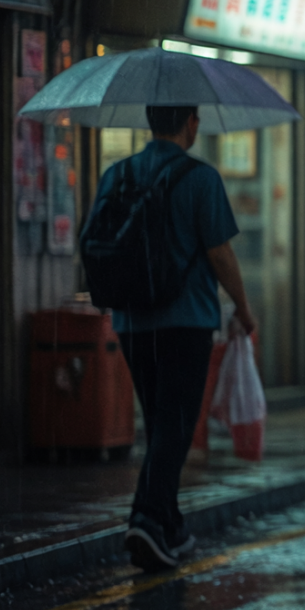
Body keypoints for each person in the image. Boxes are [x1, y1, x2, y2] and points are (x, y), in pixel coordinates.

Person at [96, 105, 256, 573]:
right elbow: (221, 253)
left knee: (160, 422)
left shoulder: (117, 174)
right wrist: (244, 309)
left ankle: (170, 523)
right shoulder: (200, 179)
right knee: (175, 425)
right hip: (185, 321)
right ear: (190, 122)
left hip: (131, 321)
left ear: (150, 121)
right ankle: (146, 517)